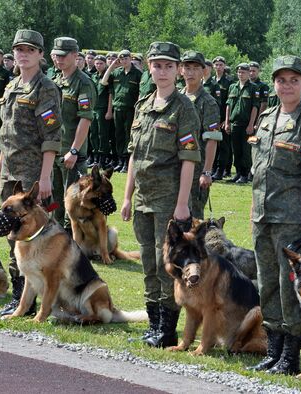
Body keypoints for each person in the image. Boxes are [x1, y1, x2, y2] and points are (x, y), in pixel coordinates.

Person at [248, 55, 301, 375]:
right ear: (275, 83)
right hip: (263, 218)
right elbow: (259, 171)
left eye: (294, 80)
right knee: (267, 284)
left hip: (293, 221)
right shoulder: (267, 118)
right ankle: (273, 350)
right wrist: (254, 208)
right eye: (281, 80)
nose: (287, 85)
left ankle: (290, 357)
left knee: (289, 287)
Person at [120, 41, 200, 348]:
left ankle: (167, 329)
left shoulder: (184, 108)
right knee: (147, 262)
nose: (162, 71)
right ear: (149, 67)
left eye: (169, 66)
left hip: (169, 199)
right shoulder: (143, 105)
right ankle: (153, 325)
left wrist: (182, 204)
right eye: (157, 65)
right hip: (142, 197)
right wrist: (127, 197)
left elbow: (190, 158)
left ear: (178, 70)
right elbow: (133, 156)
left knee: (166, 263)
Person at [0, 29, 62, 316]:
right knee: (12, 236)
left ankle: (38, 300)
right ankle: (19, 296)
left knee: (38, 239)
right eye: (19, 49)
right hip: (10, 173)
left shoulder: (45, 89)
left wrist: (45, 178)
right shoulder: (12, 86)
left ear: (40, 55)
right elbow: (4, 136)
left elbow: (52, 137)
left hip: (33, 179)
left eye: (29, 50)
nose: (23, 54)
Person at [50, 37, 95, 229]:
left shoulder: (83, 83)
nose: (59, 59)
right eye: (56, 55)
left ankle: (73, 242)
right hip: (54, 150)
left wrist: (74, 150)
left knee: (74, 202)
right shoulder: (55, 80)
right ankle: (55, 231)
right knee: (54, 199)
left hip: (72, 154)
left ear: (75, 56)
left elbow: (85, 119)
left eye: (64, 55)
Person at [180, 50, 221, 219]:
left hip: (197, 169)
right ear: (181, 70)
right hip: (175, 166)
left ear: (204, 71)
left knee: (194, 221)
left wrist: (207, 172)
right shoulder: (176, 97)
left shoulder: (208, 102)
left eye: (195, 68)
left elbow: (212, 139)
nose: (190, 72)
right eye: (187, 68)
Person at [101, 49, 142, 173]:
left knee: (128, 135)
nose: (124, 61)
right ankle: (120, 160)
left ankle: (127, 161)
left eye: (126, 59)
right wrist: (112, 66)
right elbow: (103, 81)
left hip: (131, 109)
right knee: (118, 135)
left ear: (130, 59)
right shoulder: (116, 73)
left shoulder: (137, 74)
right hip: (117, 108)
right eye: (121, 59)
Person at [224, 63, 259, 184]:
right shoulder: (233, 87)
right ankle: (238, 173)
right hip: (235, 123)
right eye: (239, 72)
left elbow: (255, 107)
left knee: (246, 150)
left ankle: (245, 174)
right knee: (236, 150)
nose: (240, 74)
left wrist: (251, 124)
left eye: (243, 72)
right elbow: (228, 105)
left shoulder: (253, 88)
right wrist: (227, 122)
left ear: (249, 73)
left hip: (246, 124)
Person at [211, 56, 232, 180]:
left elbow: (229, 103)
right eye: (216, 65)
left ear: (224, 66)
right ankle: (213, 168)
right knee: (213, 144)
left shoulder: (229, 82)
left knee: (224, 146)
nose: (218, 67)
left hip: (224, 119)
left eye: (221, 65)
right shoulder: (212, 81)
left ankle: (221, 170)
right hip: (213, 118)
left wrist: (226, 120)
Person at [91, 54, 113, 168]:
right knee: (93, 133)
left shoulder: (108, 76)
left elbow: (110, 94)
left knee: (102, 134)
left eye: (101, 63)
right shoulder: (94, 76)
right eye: (97, 63)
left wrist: (109, 111)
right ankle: (95, 157)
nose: (98, 65)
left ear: (105, 64)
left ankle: (102, 158)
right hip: (93, 108)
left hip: (103, 108)